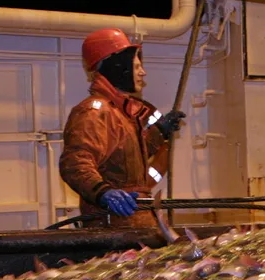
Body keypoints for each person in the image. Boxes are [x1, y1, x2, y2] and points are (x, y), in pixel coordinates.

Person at [59, 27, 185, 229]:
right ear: (117, 66)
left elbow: (125, 160)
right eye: (136, 66)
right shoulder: (94, 112)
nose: (143, 72)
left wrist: (159, 133)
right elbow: (75, 163)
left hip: (135, 222)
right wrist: (103, 193)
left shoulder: (121, 113)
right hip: (113, 226)